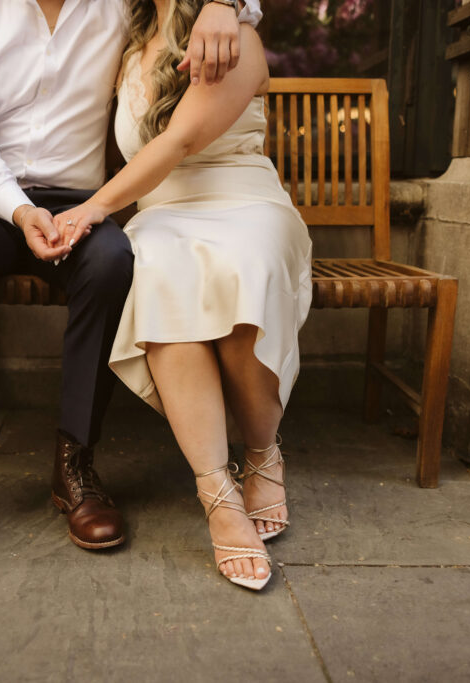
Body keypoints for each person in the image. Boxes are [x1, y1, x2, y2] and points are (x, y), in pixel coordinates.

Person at [0, 0, 263, 614]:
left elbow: (208, 9)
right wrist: (18, 209)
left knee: (115, 260)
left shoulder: (119, 10)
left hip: (80, 204)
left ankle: (75, 463)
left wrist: (227, 4)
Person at [53, 0, 313, 590]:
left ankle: (263, 452)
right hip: (164, 212)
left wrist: (91, 211)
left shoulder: (234, 33)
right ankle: (217, 492)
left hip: (244, 201)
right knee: (160, 266)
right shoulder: (127, 44)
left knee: (243, 264)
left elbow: (178, 143)